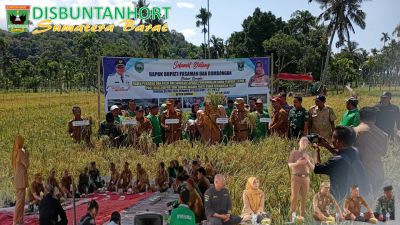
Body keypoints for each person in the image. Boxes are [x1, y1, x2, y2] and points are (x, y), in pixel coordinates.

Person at [313, 126, 362, 201]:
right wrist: (326, 145)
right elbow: (344, 155)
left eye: (332, 138)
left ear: (337, 142)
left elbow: (317, 168)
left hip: (340, 197)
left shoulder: (336, 161)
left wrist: (316, 150)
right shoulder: (356, 151)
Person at [353, 107, 388, 194]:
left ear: (359, 118)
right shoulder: (384, 135)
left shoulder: (354, 132)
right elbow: (384, 153)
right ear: (374, 119)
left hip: (360, 174)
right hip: (377, 173)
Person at [288, 136, 315, 218]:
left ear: (307, 144)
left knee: (304, 198)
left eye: (306, 142)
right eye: (302, 141)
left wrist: (308, 161)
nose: (304, 143)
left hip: (306, 178)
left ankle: (301, 217)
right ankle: (292, 218)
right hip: (296, 177)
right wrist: (297, 163)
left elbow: (313, 168)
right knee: (294, 197)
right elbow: (290, 165)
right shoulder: (294, 153)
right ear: (299, 143)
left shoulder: (309, 154)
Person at [12, 136, 29, 225]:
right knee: (20, 202)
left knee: (21, 201)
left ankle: (20, 220)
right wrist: (26, 154)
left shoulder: (15, 152)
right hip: (21, 179)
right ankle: (16, 221)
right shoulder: (20, 153)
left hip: (18, 178)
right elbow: (26, 164)